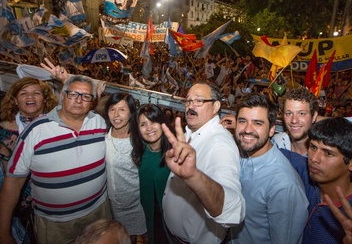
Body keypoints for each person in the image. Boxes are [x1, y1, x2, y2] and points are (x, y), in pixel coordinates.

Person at [0, 75, 110, 244]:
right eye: (73, 94)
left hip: (99, 211)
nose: (79, 100)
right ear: (62, 95)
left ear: (91, 101)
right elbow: (13, 182)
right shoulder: (36, 130)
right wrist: (2, 232)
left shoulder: (98, 123)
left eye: (85, 96)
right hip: (56, 223)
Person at [0, 77, 58, 244]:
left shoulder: (57, 125)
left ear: (44, 98)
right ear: (14, 100)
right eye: (24, 93)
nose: (30, 97)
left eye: (36, 93)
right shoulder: (1, 132)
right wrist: (2, 150)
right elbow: (2, 177)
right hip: (24, 210)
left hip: (56, 200)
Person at [161, 82, 245, 243]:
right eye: (188, 100)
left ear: (215, 107)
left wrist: (193, 176)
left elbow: (234, 210)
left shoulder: (220, 144)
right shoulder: (191, 133)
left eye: (199, 101)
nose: (191, 106)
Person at [229, 93, 308, 243]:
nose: (247, 129)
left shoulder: (283, 185)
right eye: (242, 121)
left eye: (257, 123)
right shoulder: (239, 156)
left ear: (272, 130)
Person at [103, 92, 147, 243]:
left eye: (122, 109)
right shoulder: (103, 136)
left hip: (138, 202)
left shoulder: (141, 138)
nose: (116, 114)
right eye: (112, 109)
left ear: (131, 112)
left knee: (139, 237)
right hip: (112, 202)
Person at [133, 104, 173, 244]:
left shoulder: (176, 152)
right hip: (149, 217)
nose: (149, 128)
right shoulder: (139, 153)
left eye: (153, 121)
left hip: (173, 219)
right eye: (143, 124)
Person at [271, 87, 319, 155]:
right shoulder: (277, 143)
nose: (294, 120)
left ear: (314, 116)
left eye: (301, 114)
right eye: (289, 113)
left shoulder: (321, 156)